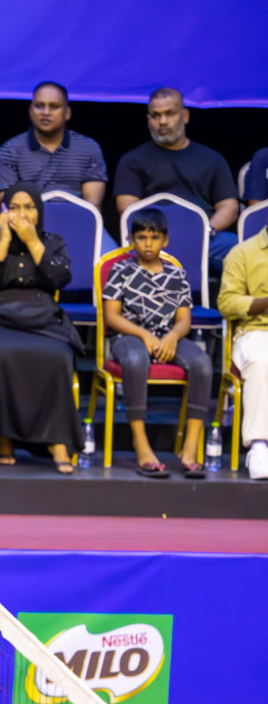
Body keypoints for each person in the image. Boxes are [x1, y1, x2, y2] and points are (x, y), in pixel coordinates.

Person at [0, 184, 82, 472]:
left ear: (39, 211)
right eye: (14, 207)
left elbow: (59, 278)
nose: (22, 214)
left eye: (29, 207)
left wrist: (33, 242)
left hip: (44, 319)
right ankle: (4, 438)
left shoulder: (52, 240)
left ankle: (57, 441)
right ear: (4, 211)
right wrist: (4, 242)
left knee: (59, 357)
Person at [102, 208, 213, 478]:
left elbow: (184, 320)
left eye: (154, 237)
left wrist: (172, 337)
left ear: (165, 240)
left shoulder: (176, 275)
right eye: (141, 237)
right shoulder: (121, 270)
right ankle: (141, 445)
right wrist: (145, 335)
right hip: (127, 338)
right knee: (136, 359)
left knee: (202, 363)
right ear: (132, 239)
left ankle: (190, 447)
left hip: (167, 337)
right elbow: (111, 317)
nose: (148, 243)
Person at [114, 87, 240, 274]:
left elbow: (229, 207)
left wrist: (207, 230)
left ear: (185, 116)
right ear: (149, 121)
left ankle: (234, 303)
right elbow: (127, 208)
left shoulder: (212, 158)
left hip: (204, 240)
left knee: (239, 251)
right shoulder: (132, 160)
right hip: (151, 241)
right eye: (156, 116)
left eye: (170, 114)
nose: (162, 121)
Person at [0, 82, 107, 208]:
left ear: (67, 113)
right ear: (30, 111)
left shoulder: (88, 148)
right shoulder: (10, 150)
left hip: (76, 222)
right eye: (39, 106)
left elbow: (92, 207)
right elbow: (10, 206)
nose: (46, 112)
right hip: (27, 223)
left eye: (54, 106)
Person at [220, 224, 268, 479]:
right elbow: (227, 302)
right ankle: (259, 447)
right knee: (262, 360)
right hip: (256, 331)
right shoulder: (243, 253)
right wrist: (263, 303)